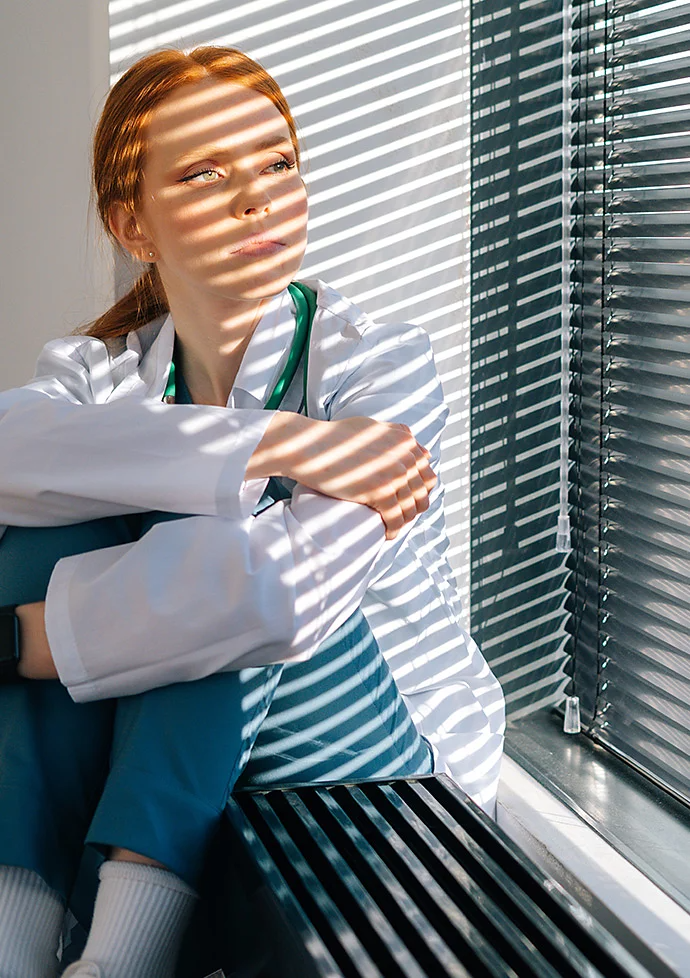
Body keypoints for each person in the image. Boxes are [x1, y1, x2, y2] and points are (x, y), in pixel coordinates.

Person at [0, 47, 505, 978]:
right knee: (50, 533)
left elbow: (283, 597)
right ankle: (17, 938)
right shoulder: (95, 368)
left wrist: (19, 642)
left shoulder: (379, 359)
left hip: (377, 750)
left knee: (220, 561)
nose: (258, 199)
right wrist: (274, 446)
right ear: (133, 225)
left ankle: (116, 959)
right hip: (190, 731)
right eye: (206, 174)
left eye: (278, 164)